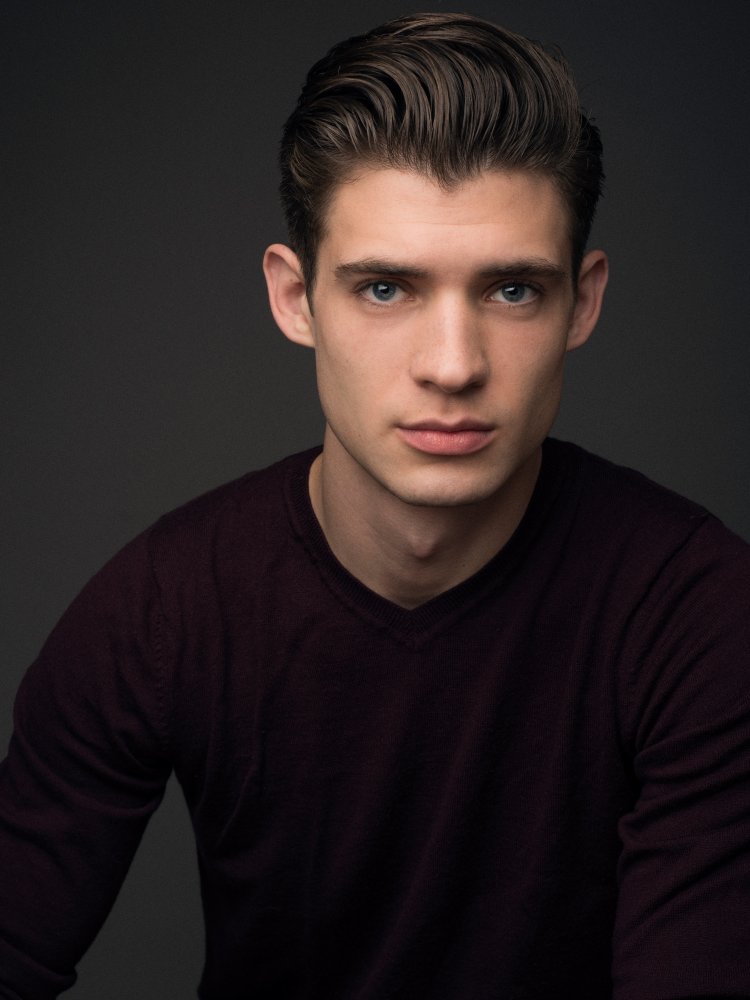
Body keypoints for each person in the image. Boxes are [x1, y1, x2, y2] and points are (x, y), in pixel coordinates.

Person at [1, 12, 749, 999]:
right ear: (295, 298)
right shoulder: (161, 611)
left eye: (512, 291)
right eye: (387, 288)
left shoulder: (698, 614)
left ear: (584, 301)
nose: (453, 365)